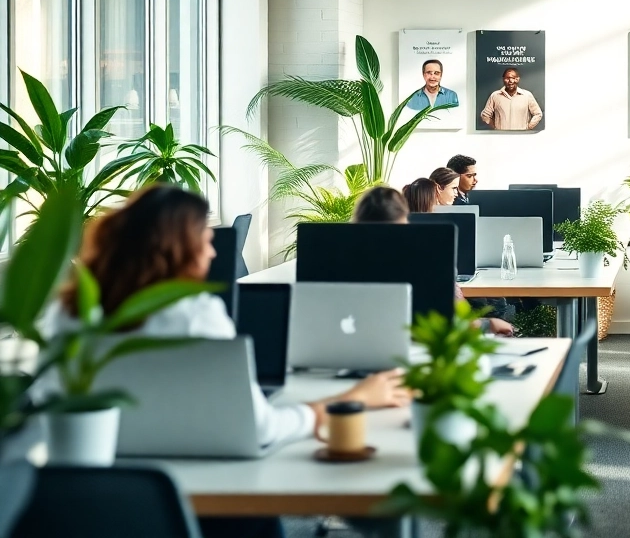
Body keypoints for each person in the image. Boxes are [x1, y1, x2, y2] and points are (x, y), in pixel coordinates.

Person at [40, 186, 411, 538]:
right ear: (177, 249)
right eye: (205, 241)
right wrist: (346, 402)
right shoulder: (195, 313)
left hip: (89, 504)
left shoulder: (67, 313)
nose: (214, 253)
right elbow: (260, 431)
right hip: (210, 514)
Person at [352, 187, 513, 336]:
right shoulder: (423, 261)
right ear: (403, 220)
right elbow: (453, 321)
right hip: (420, 352)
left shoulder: (345, 260)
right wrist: (488, 325)